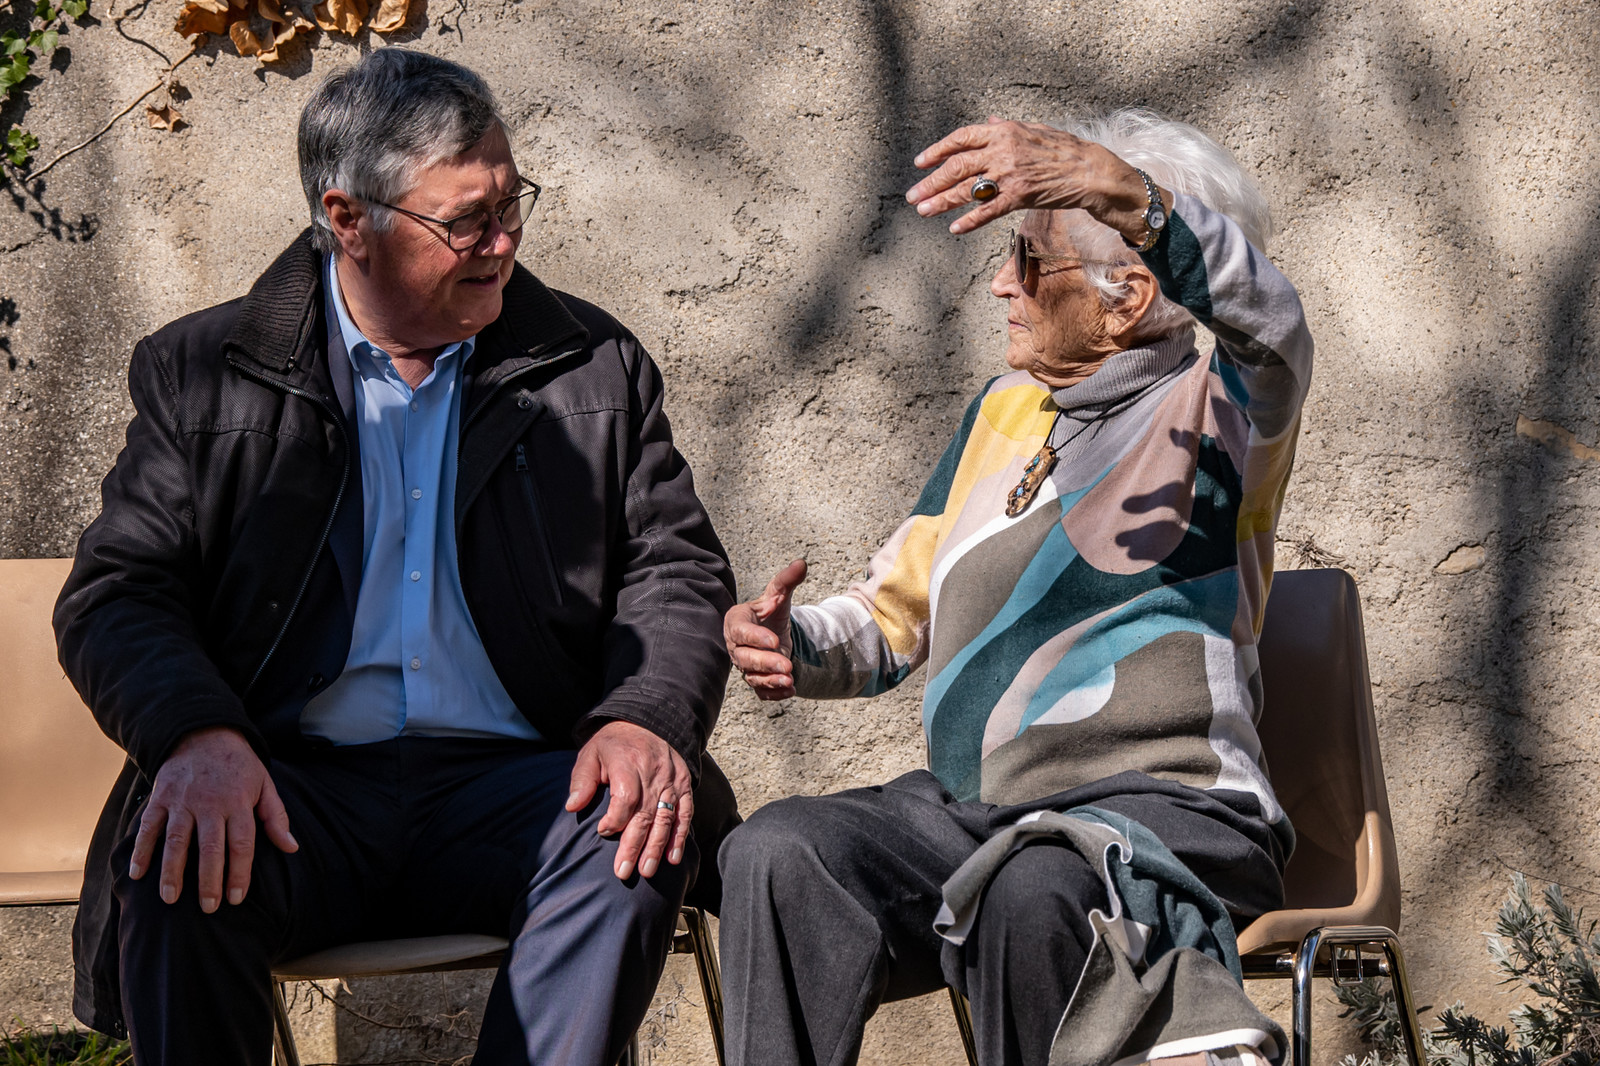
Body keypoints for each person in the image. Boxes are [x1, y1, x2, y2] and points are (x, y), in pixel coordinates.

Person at [54, 48, 737, 1066]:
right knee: (178, 858)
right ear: (346, 220)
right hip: (293, 784)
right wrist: (197, 735)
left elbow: (674, 571)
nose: (503, 242)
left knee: (631, 839)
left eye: (511, 205)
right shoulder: (204, 372)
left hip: (517, 781)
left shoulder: (591, 365)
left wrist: (644, 720)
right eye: (465, 220)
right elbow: (121, 591)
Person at [720, 111, 1313, 1066]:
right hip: (978, 815)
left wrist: (1117, 190)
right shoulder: (1006, 410)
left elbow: (1272, 323)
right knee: (781, 851)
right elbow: (889, 616)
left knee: (1034, 886)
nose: (1001, 282)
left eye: (1032, 261)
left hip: (1164, 810)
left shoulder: (1222, 413)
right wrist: (794, 644)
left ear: (1130, 294)